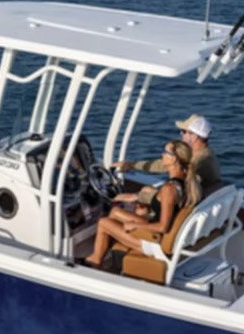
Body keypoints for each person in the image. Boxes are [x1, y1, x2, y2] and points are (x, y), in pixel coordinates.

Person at [85, 139, 202, 273]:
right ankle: (114, 254)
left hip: (152, 242)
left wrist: (136, 225)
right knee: (116, 211)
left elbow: (163, 227)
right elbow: (168, 203)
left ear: (174, 159)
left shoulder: (169, 189)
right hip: (152, 230)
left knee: (103, 223)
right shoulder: (184, 181)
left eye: (166, 152)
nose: (162, 155)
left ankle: (95, 261)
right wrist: (155, 195)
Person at [116, 113, 221, 195]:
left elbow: (183, 188)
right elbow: (164, 165)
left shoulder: (198, 161)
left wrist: (153, 194)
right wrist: (132, 165)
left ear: (194, 136)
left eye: (183, 131)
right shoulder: (204, 154)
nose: (181, 134)